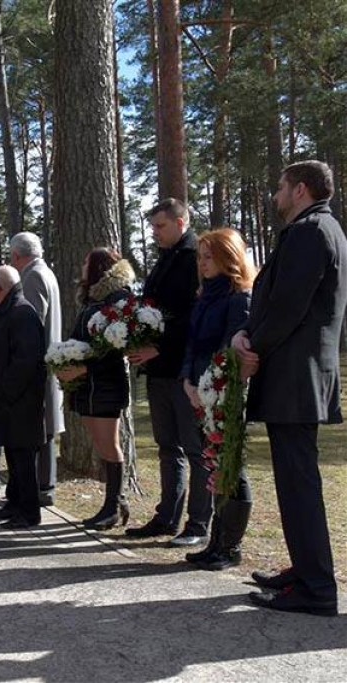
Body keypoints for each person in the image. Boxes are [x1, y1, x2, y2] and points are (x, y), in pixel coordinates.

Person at [234, 160, 346, 617]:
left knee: (299, 484)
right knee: (296, 482)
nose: (275, 195)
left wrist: (250, 346)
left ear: (300, 190)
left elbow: (287, 304)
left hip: (294, 376)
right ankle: (305, 571)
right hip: (300, 376)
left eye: (280, 187)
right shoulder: (325, 229)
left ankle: (316, 588)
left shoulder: (308, 231)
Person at [126, 198, 208, 547]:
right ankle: (167, 516)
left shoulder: (195, 258)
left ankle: (199, 523)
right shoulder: (165, 258)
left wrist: (159, 347)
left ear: (180, 221)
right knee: (166, 447)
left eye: (160, 226)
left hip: (182, 368)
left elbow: (192, 316)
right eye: (152, 227)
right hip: (158, 368)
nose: (154, 233)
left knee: (194, 448)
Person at [179, 229, 254, 570]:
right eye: (200, 257)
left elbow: (228, 350)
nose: (203, 263)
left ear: (228, 256)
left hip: (224, 394)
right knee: (213, 465)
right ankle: (216, 542)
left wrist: (208, 387)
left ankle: (230, 546)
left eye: (209, 257)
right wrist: (187, 381)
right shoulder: (204, 296)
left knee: (230, 467)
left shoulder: (239, 298)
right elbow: (192, 343)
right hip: (198, 389)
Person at [47, 250, 135, 530]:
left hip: (105, 384)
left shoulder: (117, 299)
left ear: (98, 267)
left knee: (109, 445)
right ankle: (112, 503)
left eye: (86, 262)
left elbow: (113, 349)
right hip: (89, 386)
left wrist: (83, 369)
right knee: (101, 446)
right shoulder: (92, 300)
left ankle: (114, 505)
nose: (82, 266)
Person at [0, 265, 47, 527]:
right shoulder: (7, 310)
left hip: (20, 400)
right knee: (13, 454)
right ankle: (14, 502)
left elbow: (26, 360)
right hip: (8, 400)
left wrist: (4, 388)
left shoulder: (22, 313)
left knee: (22, 458)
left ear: (0, 287)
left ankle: (30, 512)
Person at [11, 232, 65, 507]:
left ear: (17, 256)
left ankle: (41, 487)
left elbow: (29, 325)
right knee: (44, 431)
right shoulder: (47, 272)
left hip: (36, 367)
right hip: (46, 362)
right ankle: (44, 486)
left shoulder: (32, 276)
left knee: (38, 431)